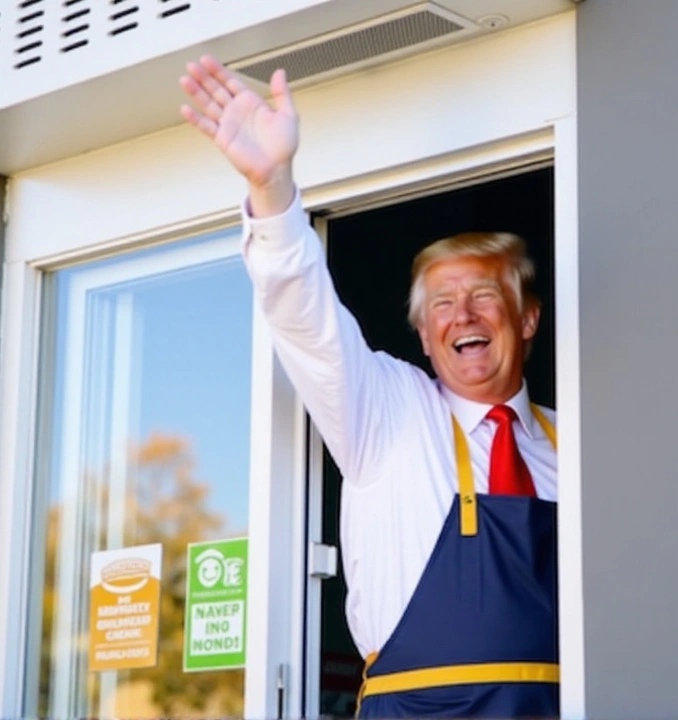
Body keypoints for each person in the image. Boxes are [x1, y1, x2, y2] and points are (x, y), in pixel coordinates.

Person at [179, 56, 559, 719]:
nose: (462, 316)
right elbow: (305, 317)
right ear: (420, 332)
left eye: (483, 296)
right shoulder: (388, 410)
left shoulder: (573, 442)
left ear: (527, 318)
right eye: (441, 304)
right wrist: (272, 191)